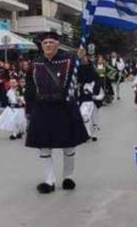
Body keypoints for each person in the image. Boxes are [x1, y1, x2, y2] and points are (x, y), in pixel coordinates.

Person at [24, 32, 89, 194]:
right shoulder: (35, 63)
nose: (47, 45)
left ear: (57, 44)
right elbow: (30, 88)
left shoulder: (71, 60)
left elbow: (87, 77)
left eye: (51, 42)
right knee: (44, 147)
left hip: (65, 107)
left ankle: (68, 177)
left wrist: (84, 60)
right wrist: (29, 109)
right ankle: (49, 180)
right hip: (42, 108)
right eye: (44, 42)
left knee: (68, 146)